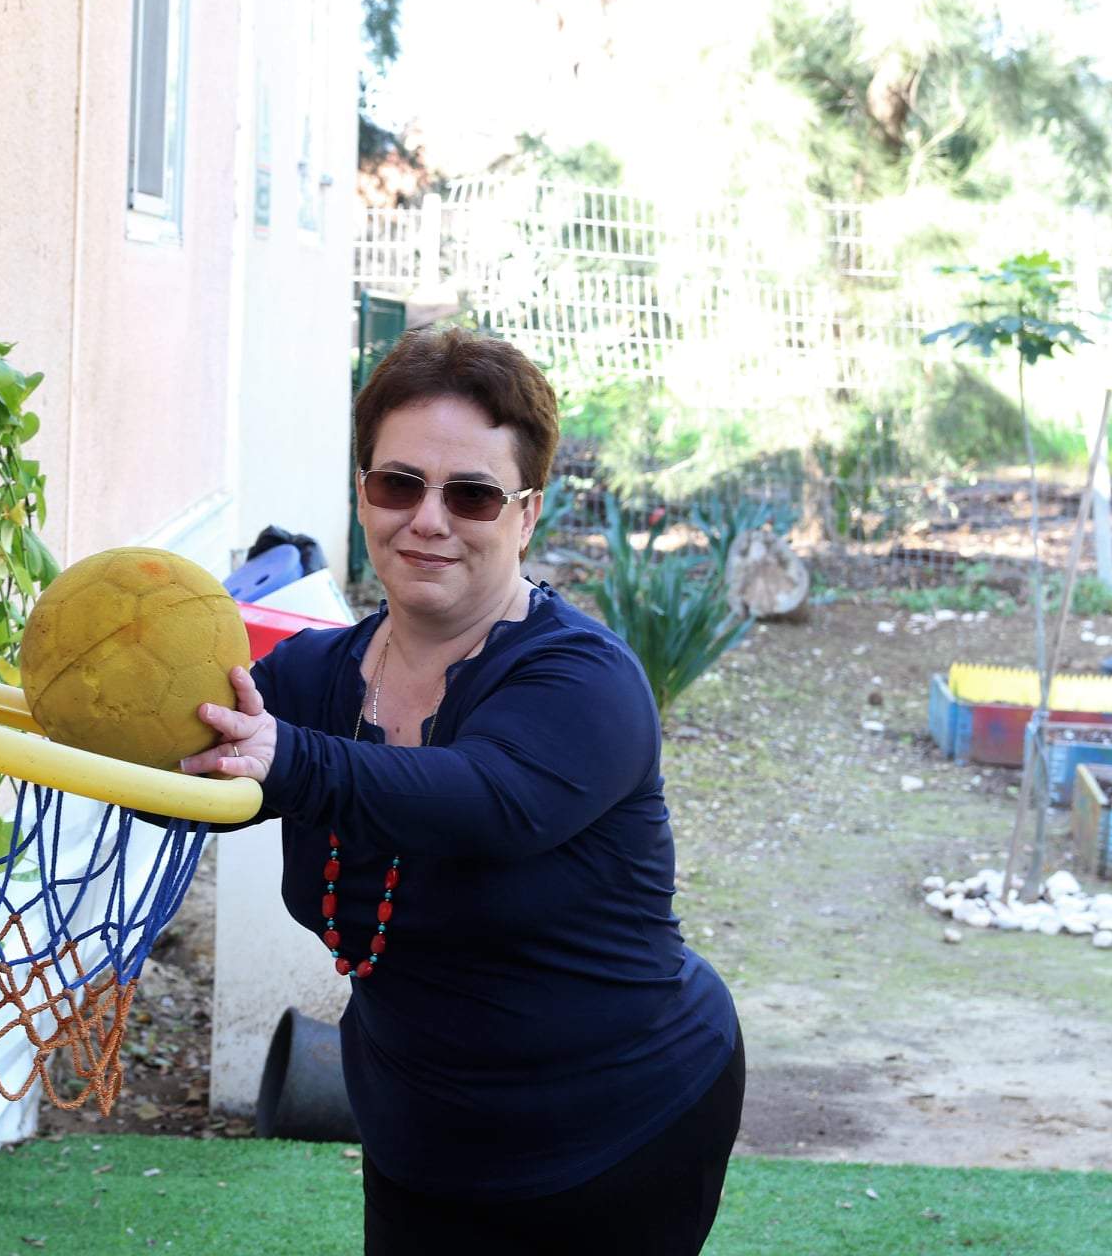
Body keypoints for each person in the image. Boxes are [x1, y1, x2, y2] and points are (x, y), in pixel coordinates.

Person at [180, 326, 744, 1255]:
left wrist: (288, 759)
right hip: (421, 1131)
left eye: (472, 495)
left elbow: (485, 799)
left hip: (621, 1125)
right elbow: (181, 772)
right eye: (397, 484)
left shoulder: (586, 682)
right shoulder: (315, 676)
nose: (427, 519)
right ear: (363, 493)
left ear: (527, 514)